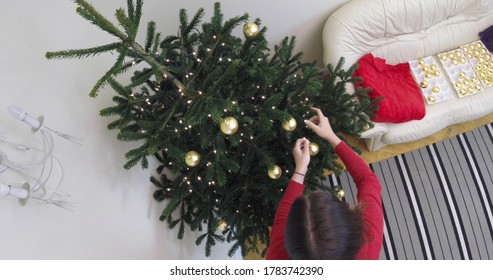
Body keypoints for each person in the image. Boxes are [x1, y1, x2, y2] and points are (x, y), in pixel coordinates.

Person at [265, 107, 383, 260]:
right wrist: (332, 137)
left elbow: (282, 216)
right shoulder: (368, 241)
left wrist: (301, 168)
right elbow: (368, 180)